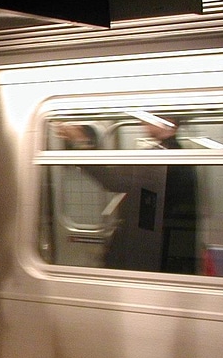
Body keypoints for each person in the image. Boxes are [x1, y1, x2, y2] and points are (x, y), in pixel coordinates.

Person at [57, 117, 197, 274]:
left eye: (149, 118)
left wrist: (81, 142)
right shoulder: (175, 152)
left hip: (147, 247)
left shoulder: (161, 157)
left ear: (166, 121)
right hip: (157, 243)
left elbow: (112, 180)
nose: (142, 123)